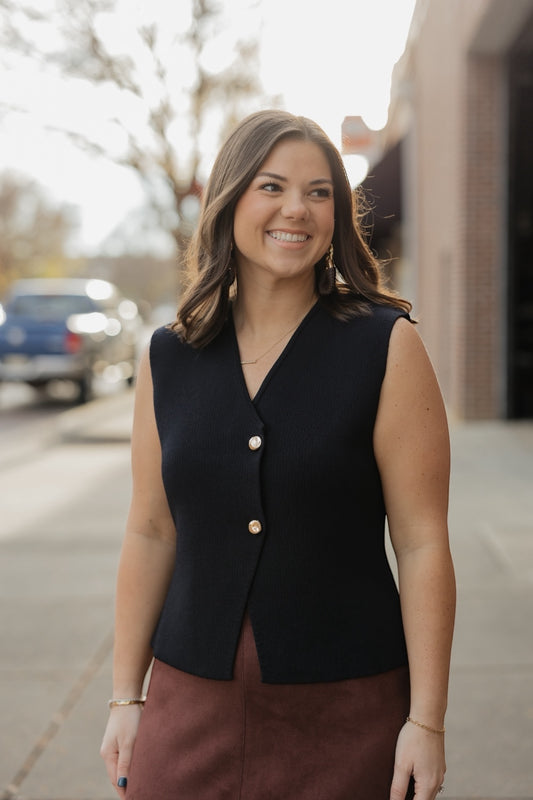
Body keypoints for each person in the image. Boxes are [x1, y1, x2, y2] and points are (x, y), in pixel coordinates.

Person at [100, 109, 455, 800]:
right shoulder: (169, 356)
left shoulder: (384, 345)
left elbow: (420, 542)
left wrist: (426, 720)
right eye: (272, 186)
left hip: (347, 708)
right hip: (187, 705)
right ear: (231, 198)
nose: (297, 208)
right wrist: (125, 697)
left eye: (319, 192)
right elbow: (150, 529)